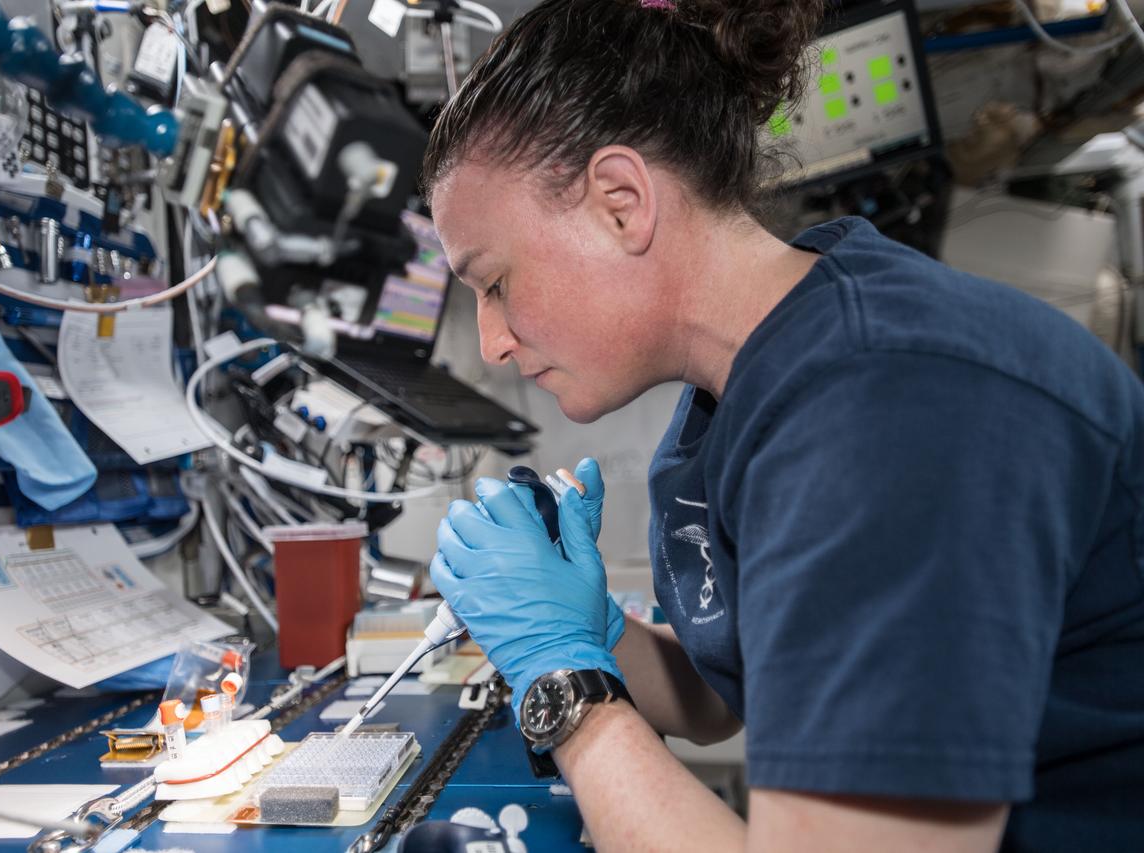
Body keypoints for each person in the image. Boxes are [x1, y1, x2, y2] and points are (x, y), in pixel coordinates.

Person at [419, 0, 1144, 850]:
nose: (495, 341)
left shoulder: (889, 402)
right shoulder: (744, 395)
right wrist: (592, 630)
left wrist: (563, 679)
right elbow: (726, 691)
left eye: (496, 282)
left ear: (621, 203)